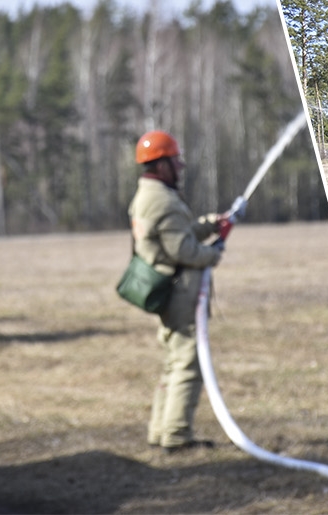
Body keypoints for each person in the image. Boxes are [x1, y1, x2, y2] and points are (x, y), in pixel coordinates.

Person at [130, 129, 227, 451]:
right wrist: (215, 252)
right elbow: (184, 251)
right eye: (175, 160)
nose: (181, 166)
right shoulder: (162, 200)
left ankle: (160, 431)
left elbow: (180, 235)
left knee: (174, 362)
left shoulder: (150, 195)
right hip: (179, 290)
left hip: (167, 288)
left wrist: (211, 224)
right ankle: (176, 435)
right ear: (160, 165)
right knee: (187, 363)